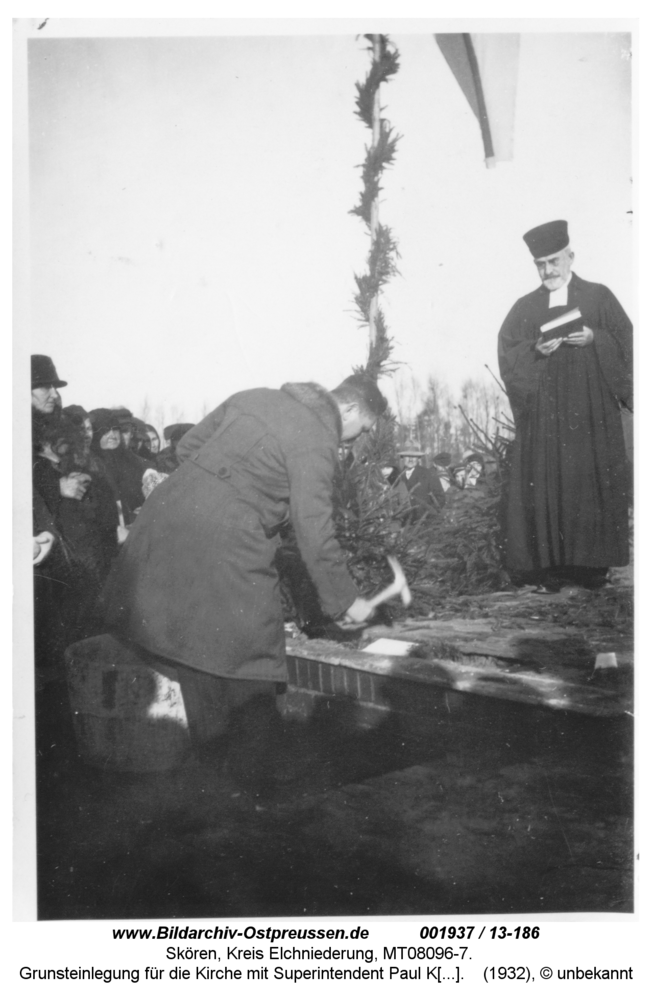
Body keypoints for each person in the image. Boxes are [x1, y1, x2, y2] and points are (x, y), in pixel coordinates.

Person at [100, 375, 386, 754]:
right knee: (252, 651)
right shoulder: (318, 439)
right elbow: (314, 531)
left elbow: (188, 448)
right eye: (361, 428)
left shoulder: (255, 397)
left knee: (189, 644)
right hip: (228, 537)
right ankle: (251, 771)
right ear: (347, 409)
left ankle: (214, 757)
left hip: (164, 517)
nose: (354, 439)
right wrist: (346, 601)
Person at [498, 220, 632, 591]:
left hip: (591, 414)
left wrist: (595, 338)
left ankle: (592, 568)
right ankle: (550, 568)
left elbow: (628, 343)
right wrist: (533, 350)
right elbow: (509, 352)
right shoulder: (525, 307)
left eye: (554, 261)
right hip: (546, 417)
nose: (548, 271)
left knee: (588, 480)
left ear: (570, 256)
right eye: (540, 264)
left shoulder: (599, 297)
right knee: (547, 482)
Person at [395, 440, 446, 520]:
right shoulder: (397, 477)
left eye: (414, 456)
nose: (411, 460)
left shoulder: (429, 474)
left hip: (424, 524)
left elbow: (440, 498)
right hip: (402, 524)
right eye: (407, 456)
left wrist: (428, 514)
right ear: (402, 457)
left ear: (418, 458)